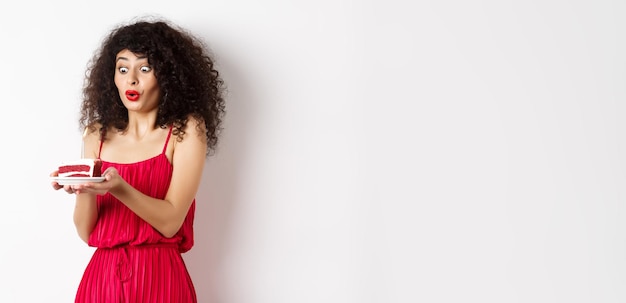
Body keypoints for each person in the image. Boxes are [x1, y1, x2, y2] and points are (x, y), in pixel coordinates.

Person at [49, 17, 225, 302]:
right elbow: (86, 231)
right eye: (122, 68)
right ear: (112, 76)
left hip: (162, 280)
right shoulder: (97, 134)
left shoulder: (187, 130)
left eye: (144, 68)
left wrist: (119, 187)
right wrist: (84, 189)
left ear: (167, 75)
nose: (131, 79)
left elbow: (170, 222)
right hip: (102, 282)